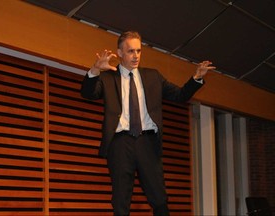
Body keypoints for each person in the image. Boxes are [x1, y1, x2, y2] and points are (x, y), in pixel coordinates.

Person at [81, 31, 215, 216]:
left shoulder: (153, 76)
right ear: (119, 53)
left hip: (148, 142)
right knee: (120, 201)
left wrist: (197, 78)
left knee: (159, 198)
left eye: (138, 51)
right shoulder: (108, 77)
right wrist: (95, 70)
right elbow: (88, 94)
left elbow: (180, 95)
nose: (136, 55)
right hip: (120, 143)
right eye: (130, 51)